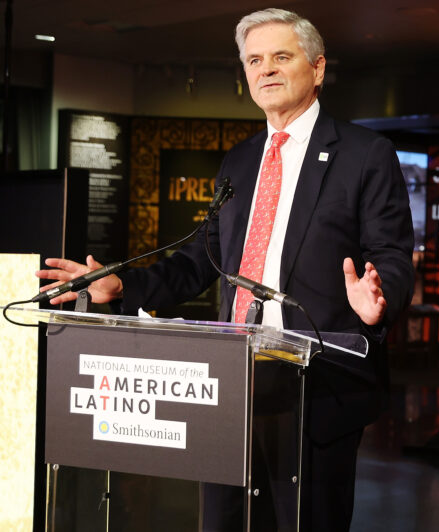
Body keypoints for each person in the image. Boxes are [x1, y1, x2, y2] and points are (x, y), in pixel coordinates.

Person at [36, 7, 414, 531]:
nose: (266, 70)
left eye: (282, 57)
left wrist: (378, 298)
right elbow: (199, 261)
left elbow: (391, 255)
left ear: (318, 68)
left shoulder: (364, 154)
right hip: (230, 387)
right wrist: (123, 284)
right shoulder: (239, 161)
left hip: (317, 387)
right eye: (254, 60)